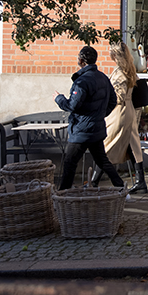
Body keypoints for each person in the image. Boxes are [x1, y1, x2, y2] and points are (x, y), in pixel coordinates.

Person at [54, 45, 125, 191]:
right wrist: (99, 115)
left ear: (81, 60)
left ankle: (62, 194)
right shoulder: (103, 78)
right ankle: (121, 187)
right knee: (102, 161)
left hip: (81, 130)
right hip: (96, 128)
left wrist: (59, 98)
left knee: (70, 163)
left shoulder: (82, 81)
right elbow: (113, 101)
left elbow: (72, 105)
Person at [90, 41, 148, 194]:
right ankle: (141, 182)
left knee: (107, 146)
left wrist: (103, 96)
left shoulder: (120, 73)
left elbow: (119, 97)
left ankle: (93, 183)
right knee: (133, 145)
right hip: (128, 110)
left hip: (119, 112)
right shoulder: (129, 69)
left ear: (115, 55)